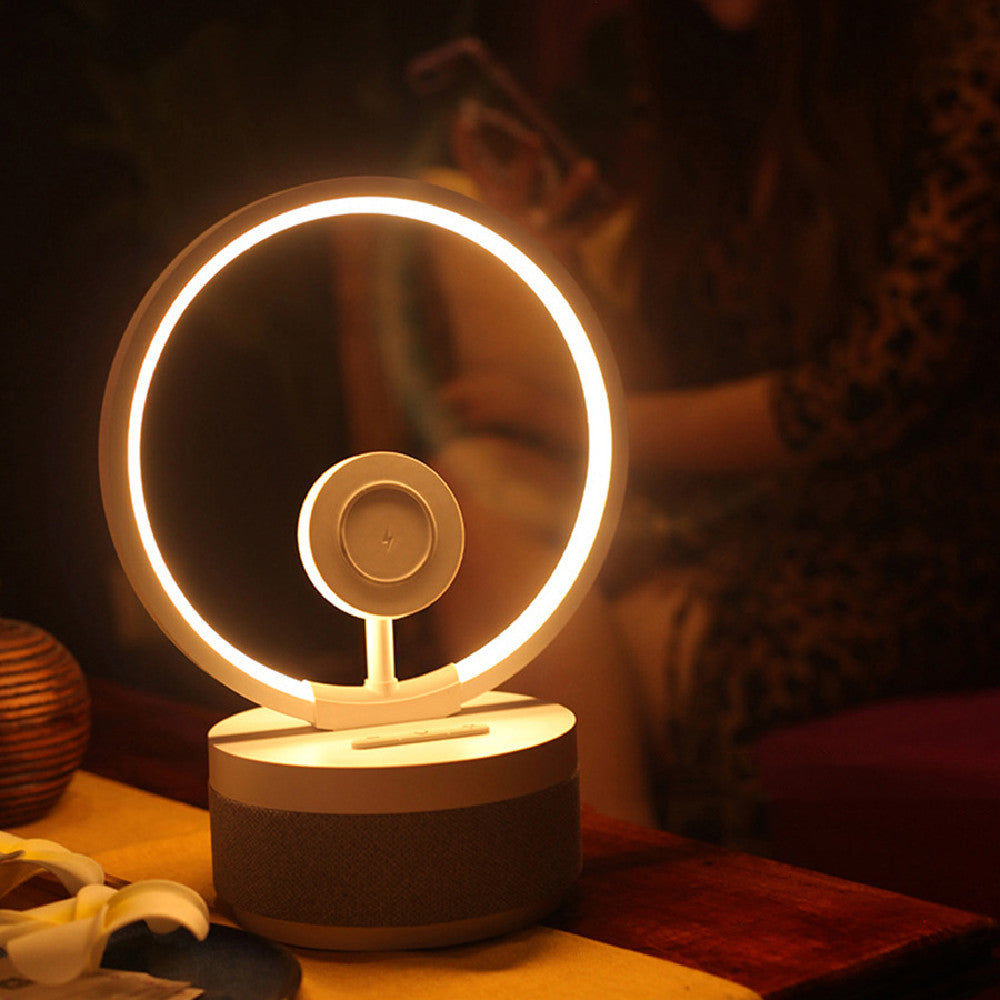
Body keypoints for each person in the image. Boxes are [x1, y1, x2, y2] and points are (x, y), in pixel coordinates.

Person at [424, 0, 1000, 840]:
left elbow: (856, 400)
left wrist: (569, 417)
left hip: (924, 536)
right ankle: (603, 899)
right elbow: (688, 363)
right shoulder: (713, 73)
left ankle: (623, 899)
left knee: (605, 643)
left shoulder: (963, 64)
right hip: (751, 513)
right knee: (472, 491)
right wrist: (557, 267)